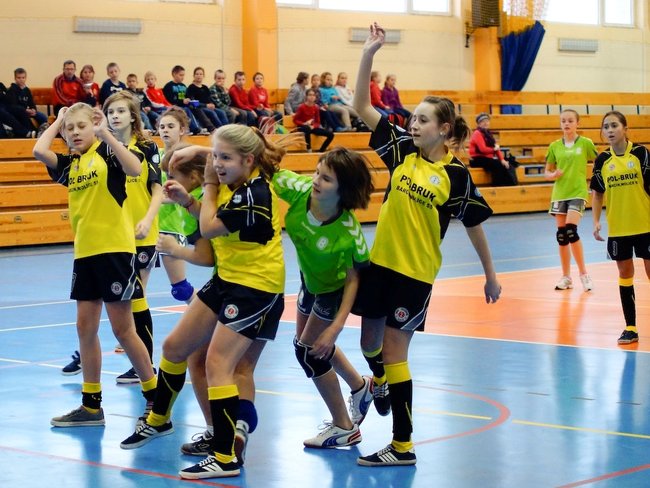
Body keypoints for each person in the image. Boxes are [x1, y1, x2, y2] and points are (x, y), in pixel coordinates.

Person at [352, 23, 501, 467]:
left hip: (414, 275)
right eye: (412, 118)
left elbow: (474, 225)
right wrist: (368, 55)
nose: (412, 124)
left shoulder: (455, 176)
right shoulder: (401, 151)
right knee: (368, 344)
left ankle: (402, 446)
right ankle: (379, 381)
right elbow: (360, 105)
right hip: (380, 265)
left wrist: (490, 275)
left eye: (422, 120)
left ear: (443, 128)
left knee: (395, 351)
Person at [120, 124, 287, 481]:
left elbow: (210, 227)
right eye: (216, 156)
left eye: (225, 158)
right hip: (227, 279)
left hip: (255, 287)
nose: (218, 163)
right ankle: (159, 420)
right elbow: (209, 212)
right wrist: (190, 193)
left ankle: (225, 457)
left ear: (248, 160)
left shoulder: (254, 193)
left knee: (218, 364)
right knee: (174, 347)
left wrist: (208, 183)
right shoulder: (235, 178)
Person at [33, 102, 157, 427]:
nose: (75, 133)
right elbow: (38, 150)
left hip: (115, 251)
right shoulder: (70, 165)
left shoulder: (108, 153)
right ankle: (91, 406)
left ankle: (154, 396)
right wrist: (59, 120)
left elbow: (136, 170)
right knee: (84, 328)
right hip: (85, 254)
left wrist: (105, 134)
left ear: (94, 126)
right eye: (70, 129)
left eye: (81, 127)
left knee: (123, 330)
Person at [272, 147, 375, 448]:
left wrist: (335, 328)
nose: (316, 180)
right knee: (307, 346)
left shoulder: (348, 233)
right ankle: (360, 386)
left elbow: (355, 280)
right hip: (309, 280)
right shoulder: (300, 189)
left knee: (309, 353)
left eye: (326, 178)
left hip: (334, 291)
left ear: (344, 190)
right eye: (317, 172)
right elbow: (262, 170)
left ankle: (344, 427)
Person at [103, 91, 163, 383]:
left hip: (142, 233)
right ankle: (141, 363)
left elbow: (157, 189)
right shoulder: (103, 149)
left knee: (137, 298)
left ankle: (145, 366)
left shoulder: (148, 146)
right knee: (128, 300)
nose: (115, 116)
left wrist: (148, 219)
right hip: (115, 235)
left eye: (120, 111)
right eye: (110, 112)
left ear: (132, 116)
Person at [591, 111, 650, 345]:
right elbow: (597, 193)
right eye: (606, 127)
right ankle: (630, 328)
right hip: (618, 228)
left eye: (614, 125)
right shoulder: (602, 160)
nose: (610, 130)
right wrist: (596, 221)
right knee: (625, 275)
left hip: (645, 225)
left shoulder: (640, 153)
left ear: (625, 128)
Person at [545, 109, 598, 292]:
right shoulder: (554, 146)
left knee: (571, 230)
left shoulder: (585, 143)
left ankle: (584, 274)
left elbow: (598, 162)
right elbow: (547, 172)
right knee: (562, 236)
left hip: (578, 191)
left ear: (577, 123)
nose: (566, 124)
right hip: (560, 193)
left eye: (570, 120)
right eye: (563, 121)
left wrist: (597, 181)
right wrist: (553, 174)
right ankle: (566, 277)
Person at [469, 113, 518, 186]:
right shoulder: (477, 133)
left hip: (487, 159)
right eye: (483, 121)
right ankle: (496, 186)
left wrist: (502, 160)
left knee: (506, 163)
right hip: (477, 159)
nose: (486, 123)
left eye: (487, 121)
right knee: (498, 165)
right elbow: (483, 149)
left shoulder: (488, 134)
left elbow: (496, 148)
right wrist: (494, 149)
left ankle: (508, 185)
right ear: (479, 124)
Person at [163, 65, 214, 135]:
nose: (182, 77)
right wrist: (182, 101)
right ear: (174, 74)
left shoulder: (183, 86)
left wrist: (189, 100)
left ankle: (205, 127)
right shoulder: (169, 86)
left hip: (185, 105)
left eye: (183, 75)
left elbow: (187, 97)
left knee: (195, 107)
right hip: (174, 106)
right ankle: (196, 129)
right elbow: (170, 100)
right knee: (187, 109)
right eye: (181, 75)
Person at [7, 68, 49, 135]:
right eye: (19, 78)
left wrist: (33, 110)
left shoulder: (27, 90)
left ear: (25, 78)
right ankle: (34, 132)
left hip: (28, 111)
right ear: (15, 78)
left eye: (23, 77)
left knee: (43, 117)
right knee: (26, 119)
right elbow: (13, 106)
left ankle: (43, 132)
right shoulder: (12, 90)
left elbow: (31, 103)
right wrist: (26, 110)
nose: (21, 80)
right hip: (20, 112)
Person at [293, 88, 334, 153]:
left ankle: (321, 151)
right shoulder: (301, 107)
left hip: (311, 127)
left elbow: (317, 122)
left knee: (331, 135)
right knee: (307, 128)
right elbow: (295, 120)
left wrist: (313, 126)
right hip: (302, 126)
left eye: (313, 95)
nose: (312, 97)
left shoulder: (316, 107)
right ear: (306, 96)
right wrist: (303, 123)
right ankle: (309, 149)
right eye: (310, 95)